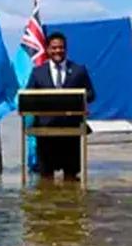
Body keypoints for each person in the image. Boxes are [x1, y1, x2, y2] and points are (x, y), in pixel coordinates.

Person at [26, 31, 95, 179]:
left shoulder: (79, 70)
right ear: (48, 50)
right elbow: (28, 97)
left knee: (71, 177)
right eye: (54, 48)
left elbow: (91, 94)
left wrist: (76, 100)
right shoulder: (38, 73)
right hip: (45, 132)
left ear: (66, 49)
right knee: (46, 179)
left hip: (71, 131)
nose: (58, 51)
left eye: (61, 47)